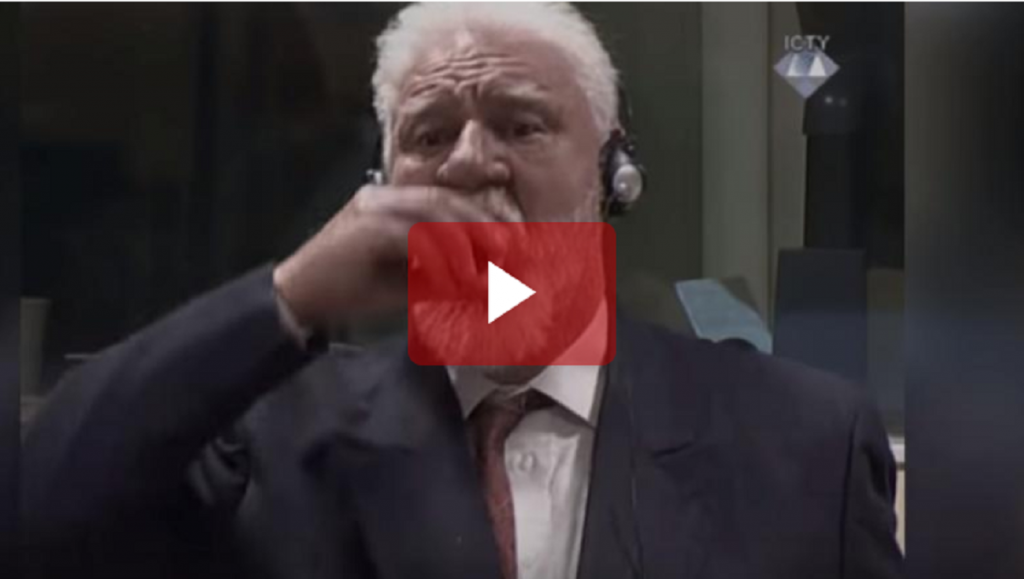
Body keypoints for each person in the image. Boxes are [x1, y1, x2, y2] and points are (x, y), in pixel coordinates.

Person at [22, 4, 903, 579]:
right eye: (430, 135)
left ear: (613, 175)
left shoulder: (801, 444)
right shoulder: (272, 437)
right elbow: (35, 508)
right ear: (381, 186)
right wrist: (291, 296)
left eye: (522, 124)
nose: (471, 161)